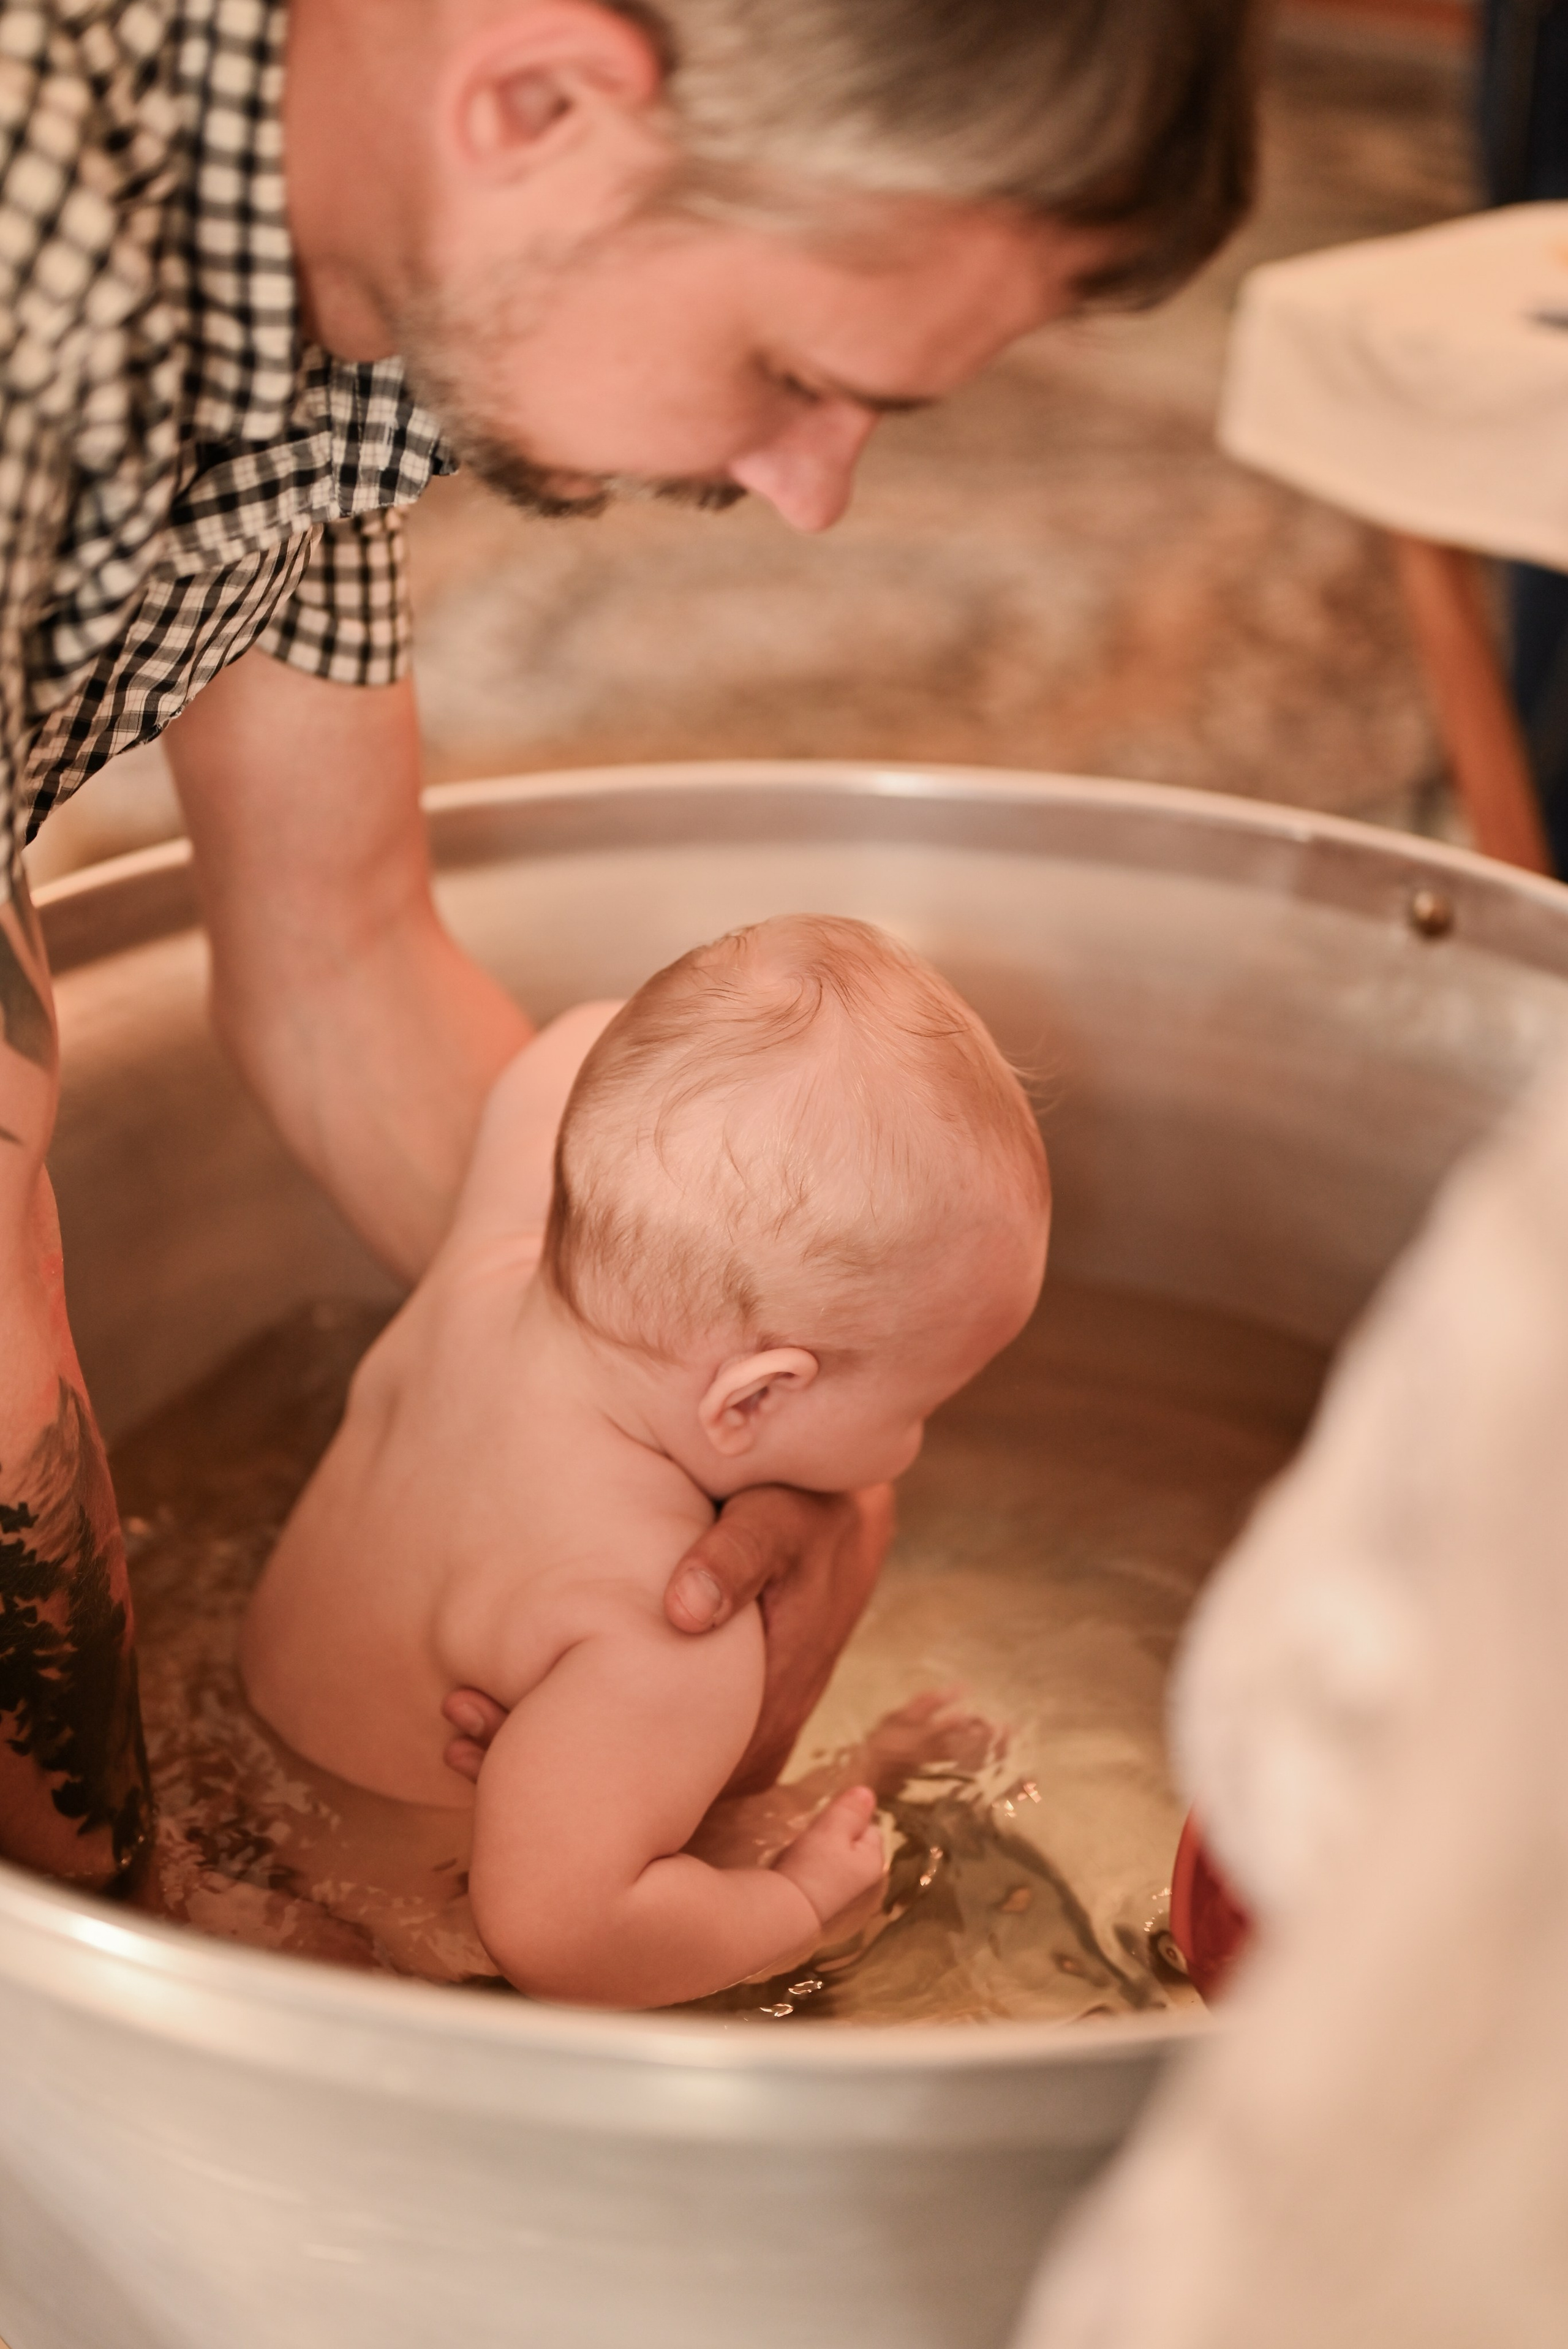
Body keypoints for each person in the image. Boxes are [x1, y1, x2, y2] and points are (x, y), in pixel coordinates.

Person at [0, 0, 1256, 1893]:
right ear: (545, 98)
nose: (814, 488)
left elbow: (339, 950)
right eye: (790, 370)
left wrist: (724, 1446)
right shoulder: (38, 281)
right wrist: (168, 1920)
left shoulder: (341, 293)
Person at [237, 917, 1050, 2005]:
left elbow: (574, 1047)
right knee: (792, 1873)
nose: (915, 1444)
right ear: (755, 1398)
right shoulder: (659, 1622)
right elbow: (559, 1938)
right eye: (923, 1406)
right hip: (403, 1937)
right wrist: (797, 1909)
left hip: (240, 1776)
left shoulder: (495, 1248)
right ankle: (853, 1801)